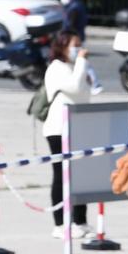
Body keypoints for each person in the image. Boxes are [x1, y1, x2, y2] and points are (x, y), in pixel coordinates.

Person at [42, 31, 94, 239]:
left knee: (80, 175)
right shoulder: (56, 68)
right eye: (75, 45)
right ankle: (60, 224)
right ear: (63, 46)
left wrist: (81, 65)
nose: (79, 49)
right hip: (58, 129)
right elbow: (73, 88)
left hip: (78, 127)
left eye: (80, 45)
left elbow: (84, 93)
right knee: (60, 175)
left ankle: (80, 221)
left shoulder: (74, 67)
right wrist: (81, 61)